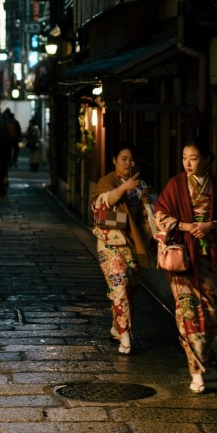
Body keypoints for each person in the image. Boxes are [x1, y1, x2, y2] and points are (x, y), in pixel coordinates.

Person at [153, 139, 217, 394]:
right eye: (184, 157)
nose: (187, 163)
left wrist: (212, 226)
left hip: (210, 259)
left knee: (212, 316)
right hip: (184, 263)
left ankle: (199, 354)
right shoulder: (175, 185)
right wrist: (188, 226)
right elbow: (160, 217)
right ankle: (196, 371)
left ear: (207, 159)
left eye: (194, 158)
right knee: (189, 316)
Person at [90, 141, 152, 355]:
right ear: (114, 160)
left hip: (133, 244)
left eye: (131, 159)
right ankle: (125, 336)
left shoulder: (141, 186)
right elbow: (102, 203)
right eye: (123, 158)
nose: (128, 162)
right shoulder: (107, 181)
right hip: (110, 243)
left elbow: (148, 214)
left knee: (131, 289)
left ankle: (117, 328)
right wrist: (123, 189)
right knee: (120, 287)